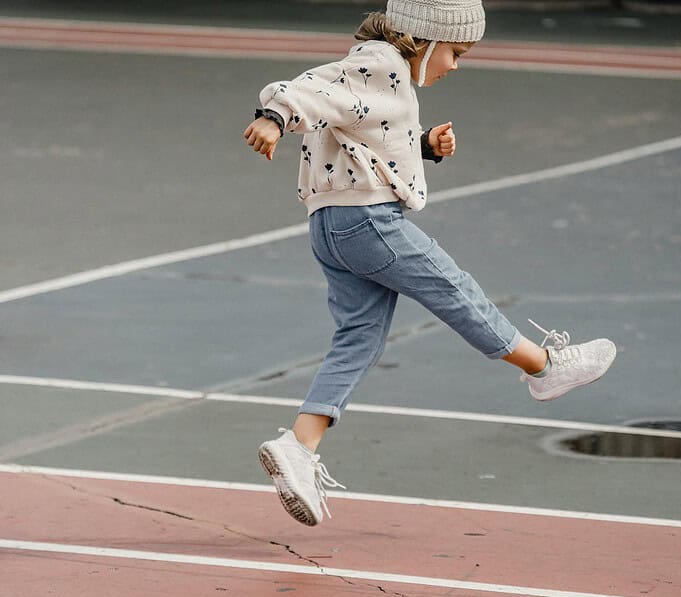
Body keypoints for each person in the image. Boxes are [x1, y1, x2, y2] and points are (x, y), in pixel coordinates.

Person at [243, 0, 616, 527]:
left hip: (329, 227)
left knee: (359, 338)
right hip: (368, 223)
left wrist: (422, 147)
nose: (456, 66)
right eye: (456, 53)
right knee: (454, 289)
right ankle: (545, 369)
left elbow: (360, 132)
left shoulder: (375, 71)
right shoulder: (383, 62)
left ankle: (299, 447)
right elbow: (312, 88)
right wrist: (274, 119)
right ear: (425, 41)